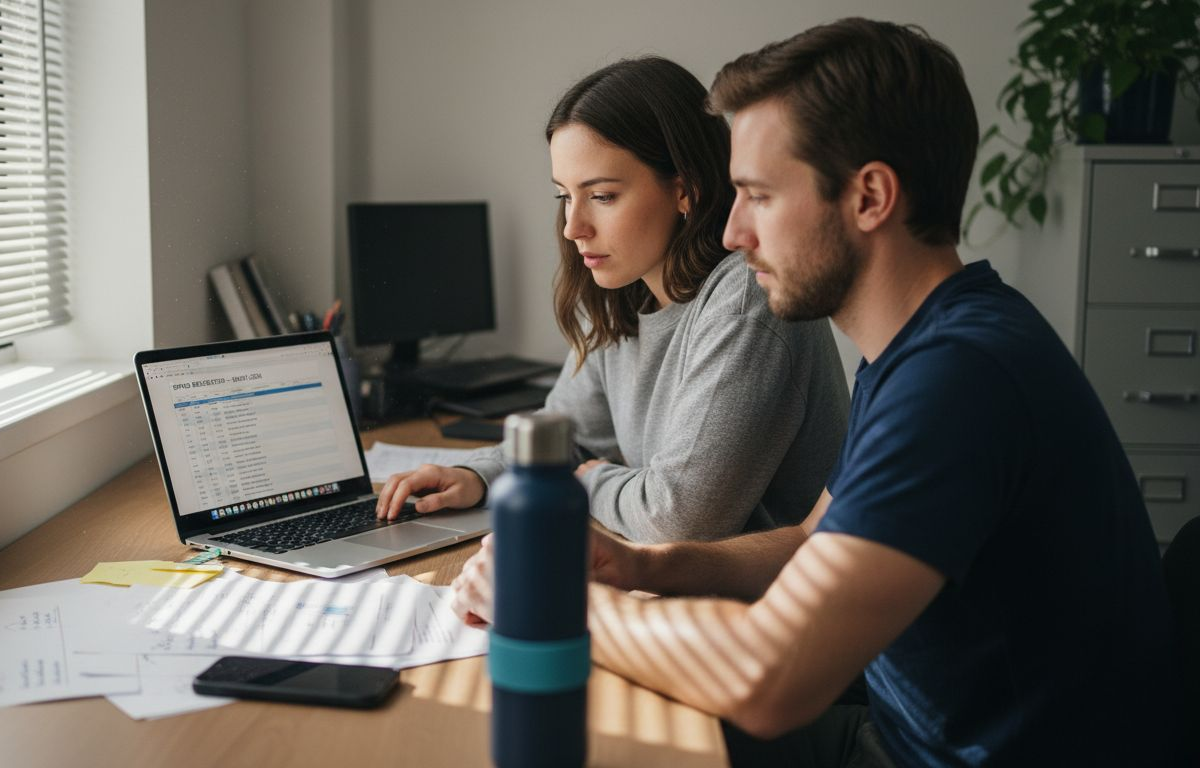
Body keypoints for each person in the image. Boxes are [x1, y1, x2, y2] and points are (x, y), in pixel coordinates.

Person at [450, 19, 1183, 767]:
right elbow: (810, 540)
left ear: (869, 197)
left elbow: (772, 679)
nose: (731, 232)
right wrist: (644, 566)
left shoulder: (959, 380)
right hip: (892, 735)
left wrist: (546, 599)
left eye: (758, 196)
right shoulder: (916, 351)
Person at [377, 57, 848, 543]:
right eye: (564, 196)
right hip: (677, 592)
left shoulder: (747, 299)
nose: (572, 227)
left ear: (684, 190)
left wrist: (585, 483)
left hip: (764, 605)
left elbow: (678, 517)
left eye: (601, 196)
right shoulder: (626, 294)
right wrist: (476, 476)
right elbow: (569, 435)